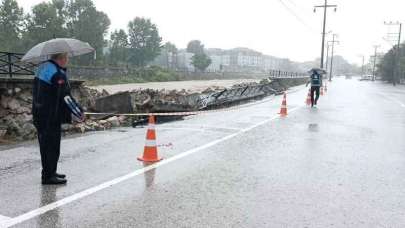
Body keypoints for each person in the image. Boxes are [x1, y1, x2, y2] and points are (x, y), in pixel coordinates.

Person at [32, 53, 84, 185]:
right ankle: (48, 177)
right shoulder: (57, 74)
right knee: (52, 146)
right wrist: (79, 112)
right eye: (66, 58)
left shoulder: (43, 68)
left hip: (39, 113)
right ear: (60, 59)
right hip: (50, 115)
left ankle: (50, 172)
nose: (67, 60)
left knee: (46, 146)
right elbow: (65, 97)